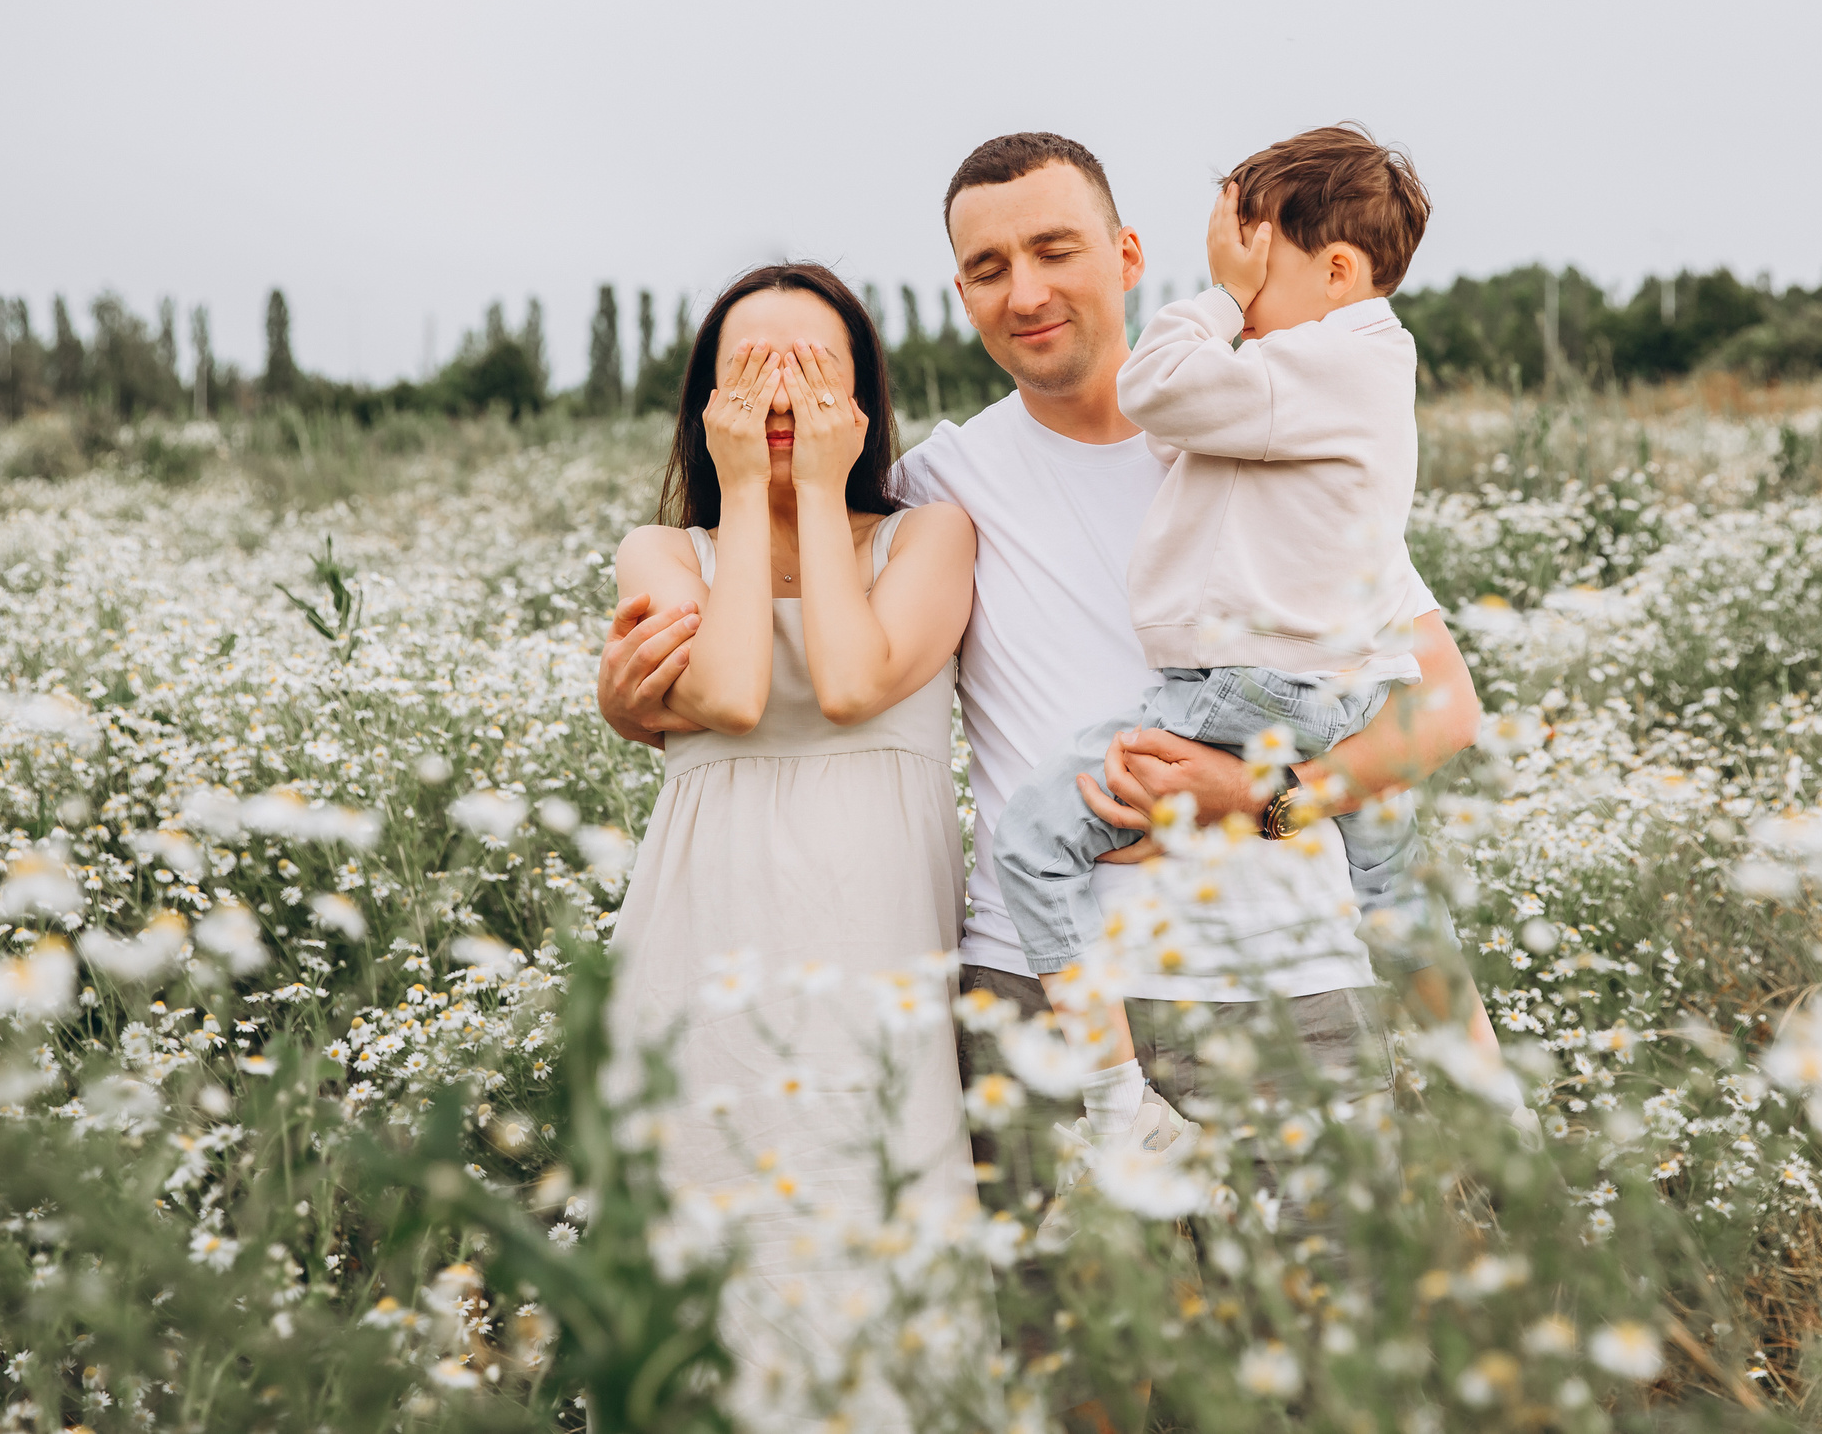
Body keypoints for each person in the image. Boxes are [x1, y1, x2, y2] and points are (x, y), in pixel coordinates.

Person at [601, 134, 1487, 1218]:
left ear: (1125, 255)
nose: (1023, 292)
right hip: (1033, 1000)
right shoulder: (942, 488)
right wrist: (635, 701)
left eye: (1054, 250)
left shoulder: (1268, 440)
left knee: (1322, 1372)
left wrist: (1261, 801)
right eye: (986, 268)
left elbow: (1442, 705)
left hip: (1278, 989)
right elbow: (789, 622)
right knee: (1063, 1384)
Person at [988, 126, 1444, 1132]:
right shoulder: (1352, 375)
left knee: (1027, 843)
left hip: (1238, 694)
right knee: (1393, 885)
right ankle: (1469, 1087)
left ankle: (1109, 1088)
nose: (1244, 291)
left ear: (1334, 271)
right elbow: (1178, 432)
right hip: (1341, 694)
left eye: (1258, 261)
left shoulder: (1319, 359)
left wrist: (1216, 300)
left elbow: (1153, 391)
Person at [601, 262, 980, 1427]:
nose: (779, 397)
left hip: (874, 935)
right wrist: (740, 494)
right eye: (746, 372)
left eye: (810, 370)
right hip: (704, 932)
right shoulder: (664, 554)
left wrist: (818, 490)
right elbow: (726, 688)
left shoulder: (931, 535)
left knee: (879, 1218)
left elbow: (857, 678)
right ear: (702, 402)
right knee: (713, 1234)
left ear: (861, 396)